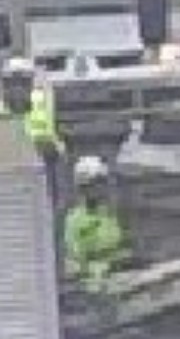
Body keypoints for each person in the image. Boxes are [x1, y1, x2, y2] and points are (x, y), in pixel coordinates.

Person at [63, 156, 130, 296]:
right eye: (97, 183)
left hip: (120, 284)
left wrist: (125, 258)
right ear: (84, 186)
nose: (102, 188)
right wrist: (99, 269)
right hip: (95, 291)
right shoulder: (75, 220)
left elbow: (118, 245)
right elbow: (74, 264)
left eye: (103, 182)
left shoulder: (108, 214)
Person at [3, 58, 62, 209]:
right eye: (12, 83)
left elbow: (54, 153)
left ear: (31, 85)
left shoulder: (42, 111)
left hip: (36, 187)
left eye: (23, 83)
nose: (18, 89)